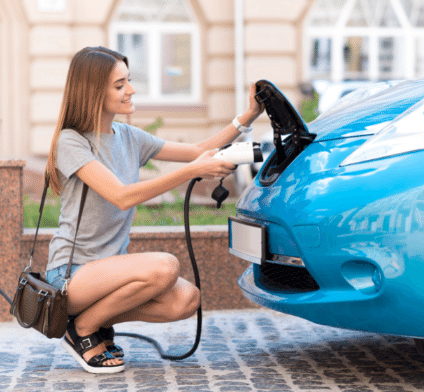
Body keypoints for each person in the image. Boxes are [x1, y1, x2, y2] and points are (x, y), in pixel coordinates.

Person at [44, 46, 264, 374]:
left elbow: (199, 150)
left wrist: (248, 116)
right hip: (71, 275)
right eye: (119, 85)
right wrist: (190, 172)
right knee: (164, 267)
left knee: (186, 299)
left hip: (110, 272)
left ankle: (93, 320)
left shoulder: (128, 137)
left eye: (128, 81)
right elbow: (121, 196)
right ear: (93, 92)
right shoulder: (72, 142)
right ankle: (84, 329)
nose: (130, 90)